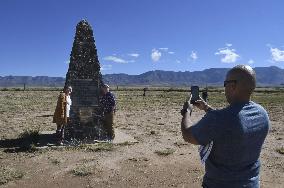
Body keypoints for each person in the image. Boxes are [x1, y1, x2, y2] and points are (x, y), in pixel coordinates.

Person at [180, 65, 269, 188]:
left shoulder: (219, 119)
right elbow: (228, 120)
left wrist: (186, 112)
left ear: (233, 86)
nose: (224, 88)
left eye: (225, 83)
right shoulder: (262, 113)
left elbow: (188, 135)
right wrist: (206, 107)